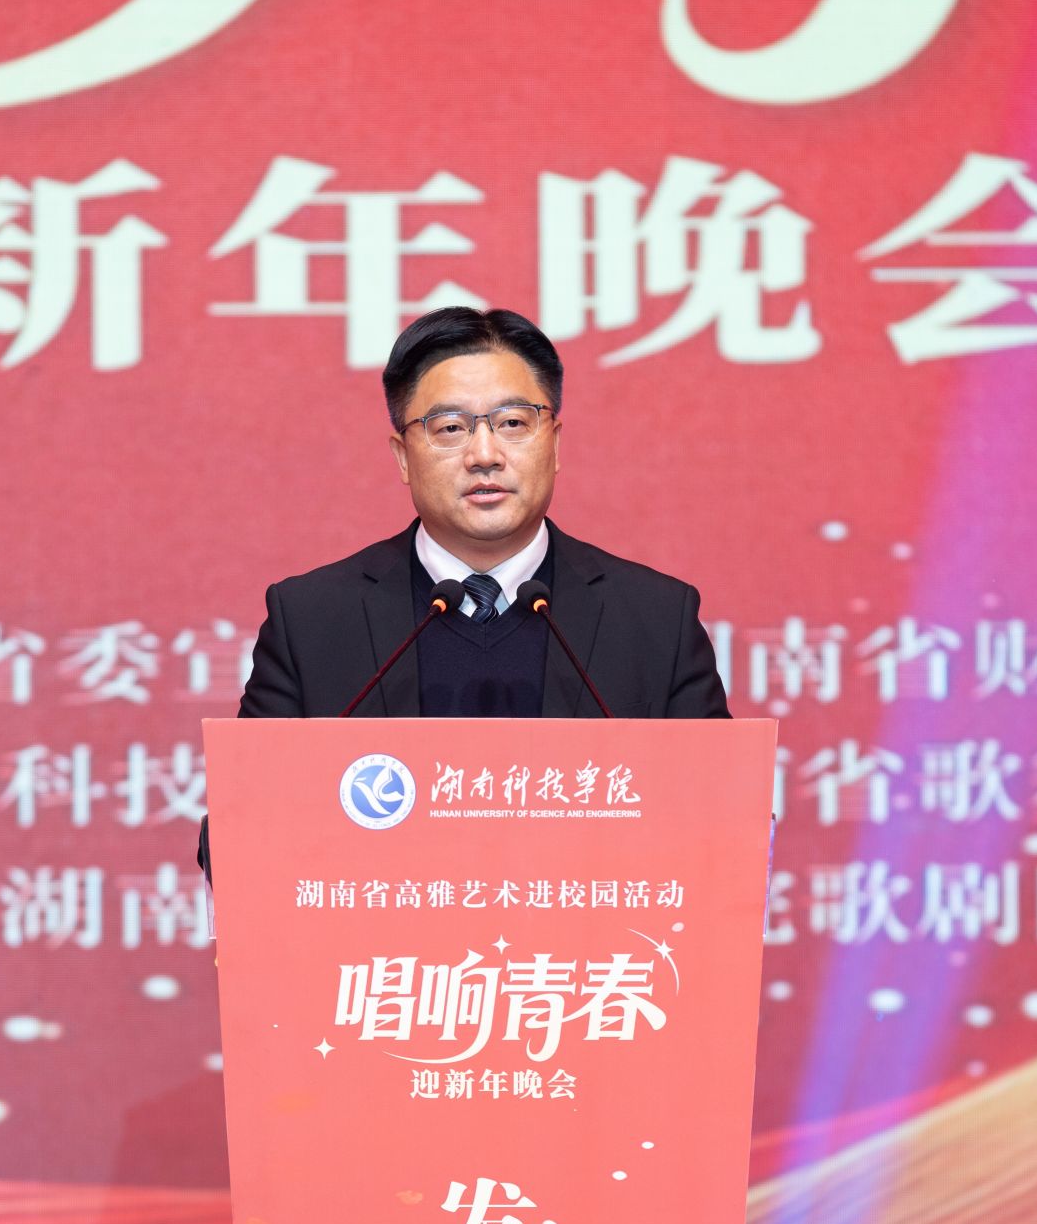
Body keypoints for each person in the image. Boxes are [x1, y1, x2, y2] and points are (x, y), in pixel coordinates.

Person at [199, 306, 728, 873]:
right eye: (450, 428)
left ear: (555, 443)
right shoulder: (312, 620)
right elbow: (234, 837)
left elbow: (724, 829)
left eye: (513, 423)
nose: (484, 455)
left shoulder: (655, 620)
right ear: (403, 456)